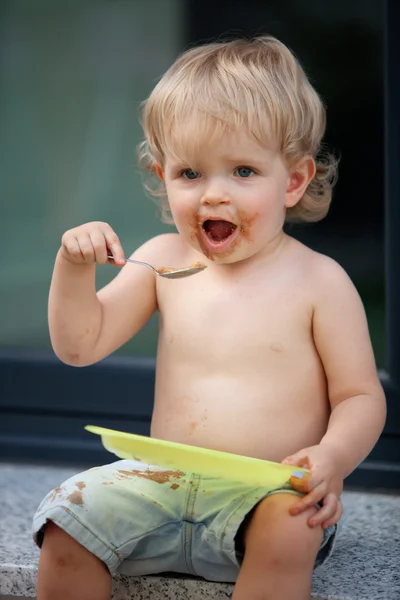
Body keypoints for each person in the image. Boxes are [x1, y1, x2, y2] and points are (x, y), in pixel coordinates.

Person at [32, 35, 386, 600]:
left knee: (291, 527)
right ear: (161, 174)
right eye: (191, 173)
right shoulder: (162, 258)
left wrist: (332, 455)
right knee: (67, 519)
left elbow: (360, 396)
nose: (213, 195)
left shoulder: (320, 282)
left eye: (243, 171)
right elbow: (81, 345)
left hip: (267, 491)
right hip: (162, 485)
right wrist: (73, 269)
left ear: (293, 180)